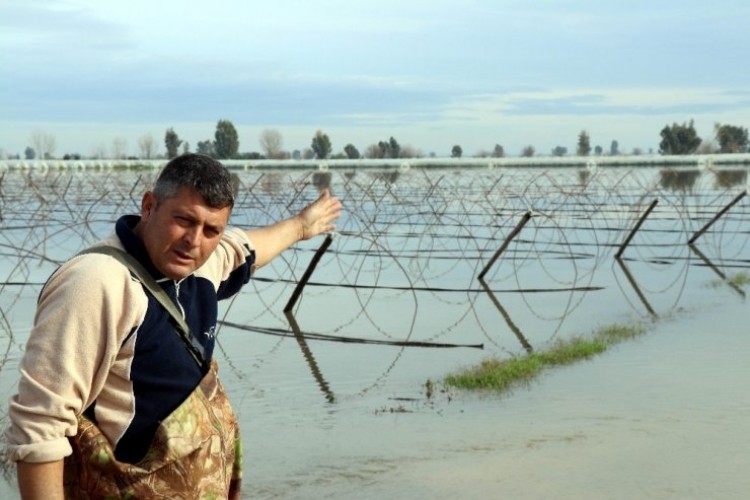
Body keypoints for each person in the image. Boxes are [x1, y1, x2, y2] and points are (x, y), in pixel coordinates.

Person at [5, 154, 342, 499]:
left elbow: (249, 248)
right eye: (183, 220)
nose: (194, 241)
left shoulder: (202, 268)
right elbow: (40, 425)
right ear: (149, 206)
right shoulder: (99, 282)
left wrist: (302, 226)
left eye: (212, 230)